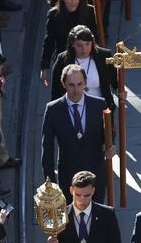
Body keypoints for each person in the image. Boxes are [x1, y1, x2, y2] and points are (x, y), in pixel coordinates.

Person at [41, 66, 110, 195]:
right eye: (71, 85)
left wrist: (110, 145)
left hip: (95, 175)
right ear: (63, 84)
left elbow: (108, 133)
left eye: (79, 84)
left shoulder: (99, 105)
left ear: (85, 82)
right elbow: (47, 148)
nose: (76, 90)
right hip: (68, 177)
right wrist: (50, 183)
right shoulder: (53, 109)